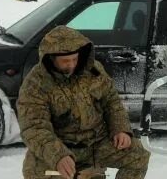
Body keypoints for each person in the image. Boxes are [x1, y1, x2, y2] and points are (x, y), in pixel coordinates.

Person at [17, 26, 150, 179]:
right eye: (65, 61)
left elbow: (111, 102)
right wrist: (58, 155)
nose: (72, 65)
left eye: (75, 59)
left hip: (97, 144)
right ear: (50, 59)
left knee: (138, 155)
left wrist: (120, 129)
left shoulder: (94, 70)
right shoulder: (35, 84)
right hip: (60, 145)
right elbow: (34, 127)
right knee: (34, 173)